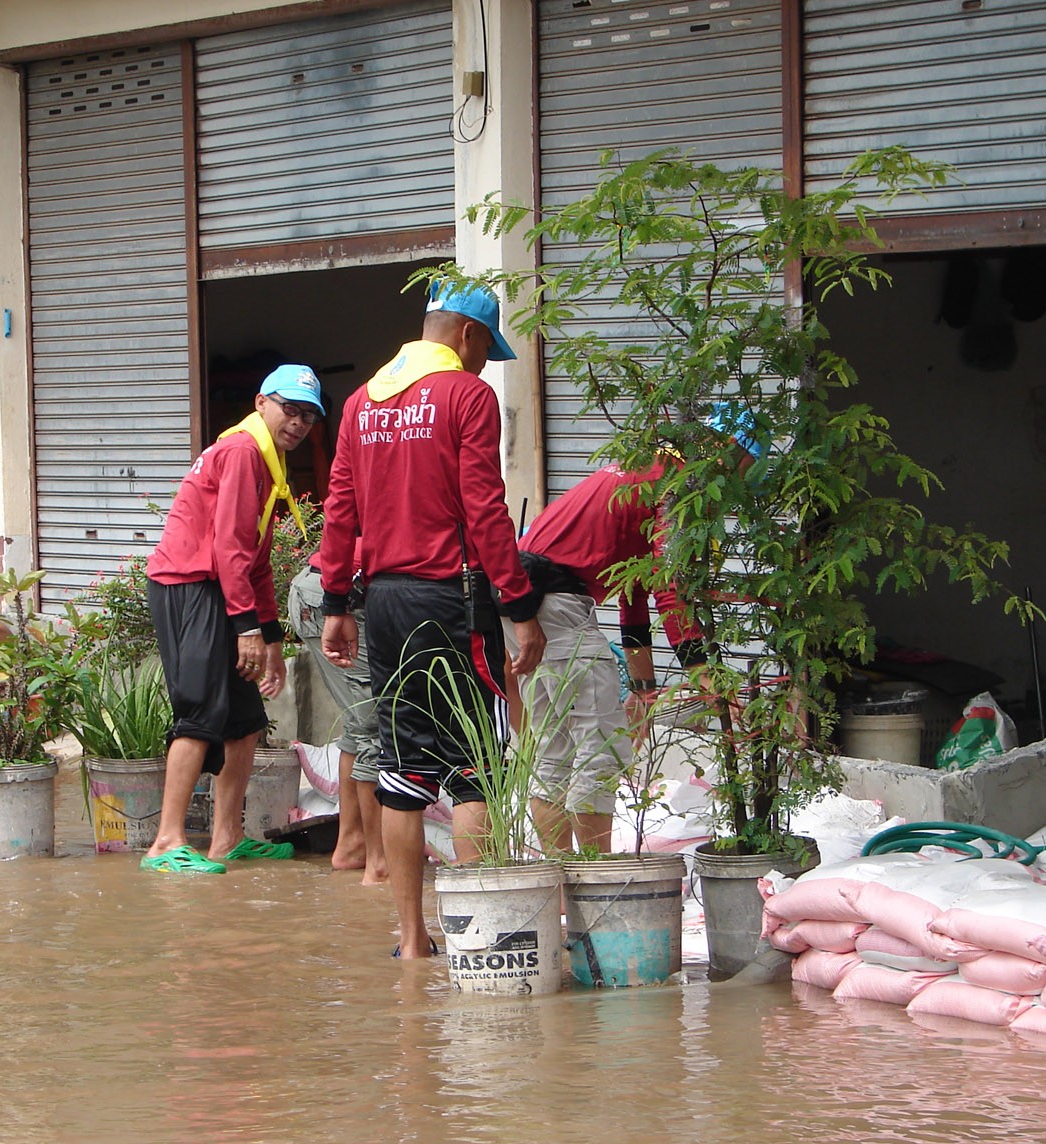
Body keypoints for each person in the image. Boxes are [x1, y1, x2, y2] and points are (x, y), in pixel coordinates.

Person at [318, 280, 545, 959]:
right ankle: (480, 938)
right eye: (485, 350)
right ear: (468, 335)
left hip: (384, 605)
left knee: (402, 772)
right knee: (476, 767)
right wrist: (519, 606)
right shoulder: (466, 395)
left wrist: (336, 603)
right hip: (454, 599)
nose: (482, 365)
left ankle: (413, 940)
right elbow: (485, 506)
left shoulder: (361, 402)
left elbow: (339, 509)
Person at [511, 406, 766, 855]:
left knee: (555, 751)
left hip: (527, 601)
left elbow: (635, 590)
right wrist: (704, 675)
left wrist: (644, 690)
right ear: (726, 449)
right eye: (744, 469)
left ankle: (558, 874)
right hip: (554, 600)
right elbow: (669, 587)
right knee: (601, 750)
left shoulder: (646, 468)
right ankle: (597, 875)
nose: (737, 488)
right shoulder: (679, 484)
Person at [142, 363, 324, 874]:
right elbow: (229, 548)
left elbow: (255, 557)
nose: (298, 422)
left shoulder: (267, 460)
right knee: (200, 713)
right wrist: (247, 627)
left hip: (220, 587)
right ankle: (165, 842)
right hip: (190, 585)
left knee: (244, 722)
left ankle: (227, 838)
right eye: (290, 409)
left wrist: (271, 639)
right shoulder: (244, 451)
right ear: (261, 402)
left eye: (309, 416)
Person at [288, 546, 386, 884]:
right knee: (375, 726)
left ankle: (352, 843)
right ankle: (379, 862)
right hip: (337, 597)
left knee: (360, 724)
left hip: (317, 589)